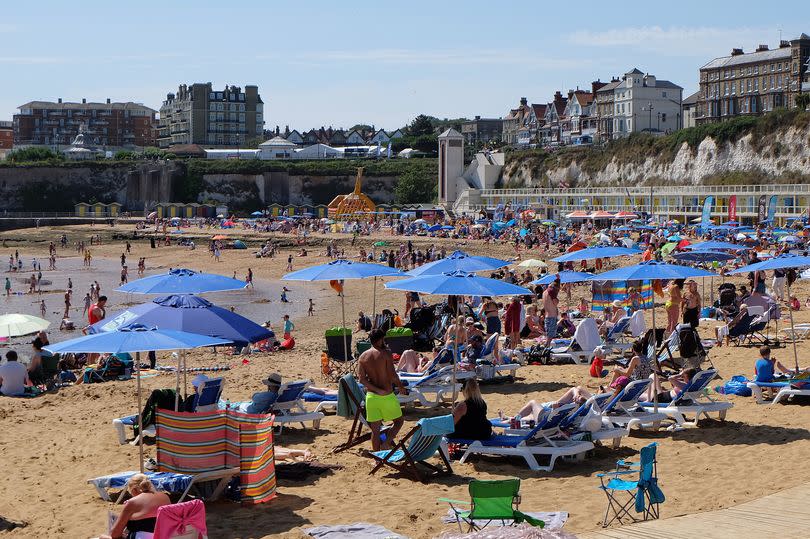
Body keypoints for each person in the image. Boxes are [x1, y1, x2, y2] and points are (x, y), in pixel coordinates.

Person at [357, 329, 406, 451]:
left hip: (371, 397)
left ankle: (377, 459)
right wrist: (400, 386)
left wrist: (376, 390)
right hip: (387, 396)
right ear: (379, 340)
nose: (385, 342)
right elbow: (392, 375)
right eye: (383, 339)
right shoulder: (385, 353)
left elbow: (362, 380)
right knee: (399, 422)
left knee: (375, 430)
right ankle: (386, 443)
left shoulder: (363, 356)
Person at [99, 474, 170, 539]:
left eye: (130, 492)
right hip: (163, 535)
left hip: (141, 537)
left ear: (134, 490)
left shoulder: (133, 502)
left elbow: (115, 534)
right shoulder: (165, 497)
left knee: (103, 537)